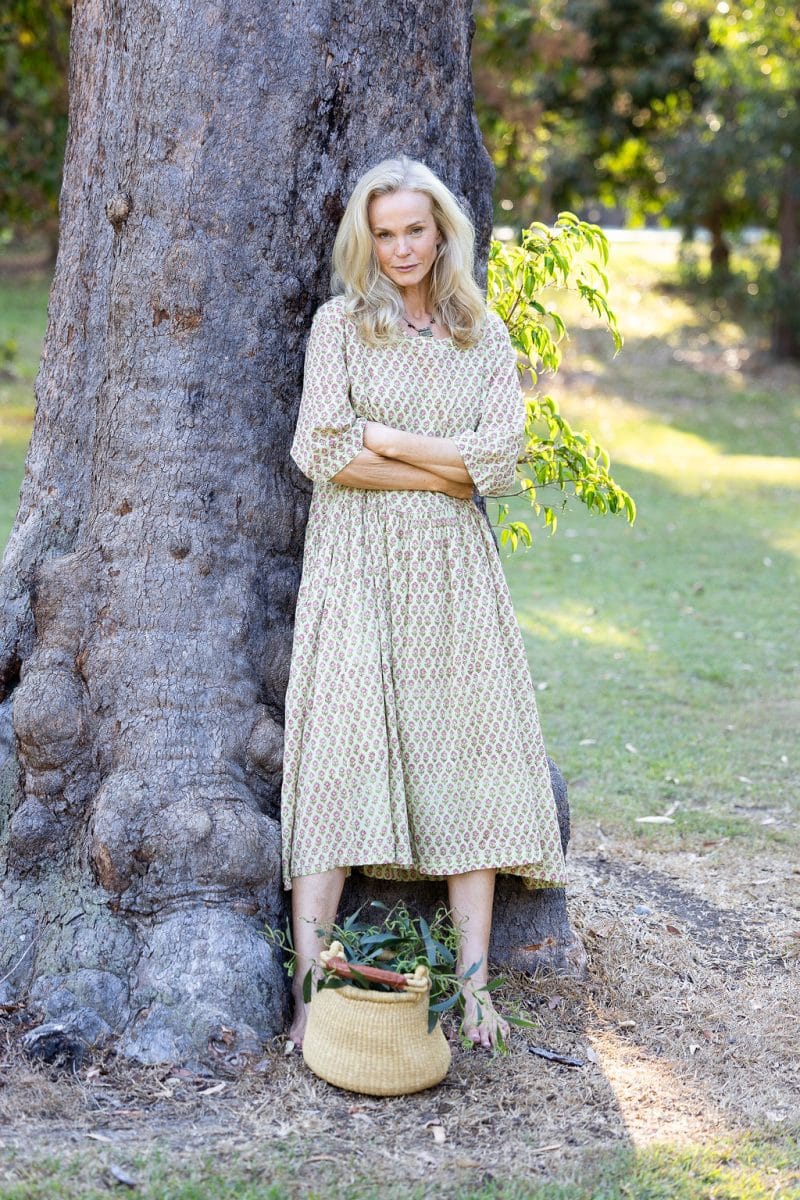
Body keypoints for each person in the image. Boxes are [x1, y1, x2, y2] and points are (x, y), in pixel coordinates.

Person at [281, 155, 568, 1051]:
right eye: (385, 234)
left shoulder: (482, 334)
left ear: (442, 232)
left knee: (468, 752)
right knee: (336, 758)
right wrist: (445, 467)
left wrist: (390, 438)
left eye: (415, 229)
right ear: (365, 243)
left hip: (454, 575)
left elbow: (501, 464)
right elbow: (323, 451)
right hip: (354, 567)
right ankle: (310, 995)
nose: (402, 248)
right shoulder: (339, 327)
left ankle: (474, 993)